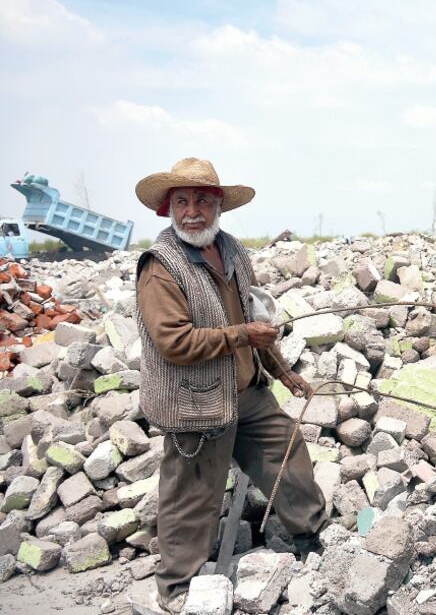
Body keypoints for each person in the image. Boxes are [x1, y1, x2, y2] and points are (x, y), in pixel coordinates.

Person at [134, 158, 328, 613]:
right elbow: (174, 342)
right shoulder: (159, 267)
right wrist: (244, 337)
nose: (193, 211)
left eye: (203, 200)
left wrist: (283, 372)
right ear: (167, 210)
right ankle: (176, 586)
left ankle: (310, 536)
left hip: (247, 392)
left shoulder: (234, 250)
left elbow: (255, 318)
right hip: (194, 405)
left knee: (286, 450)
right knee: (192, 494)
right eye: (182, 201)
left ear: (219, 206)